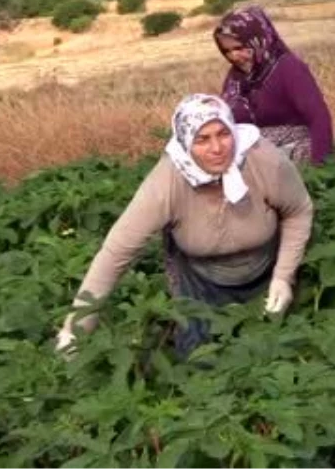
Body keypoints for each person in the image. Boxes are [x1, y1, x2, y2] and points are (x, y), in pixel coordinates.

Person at [55, 94, 315, 359]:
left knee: (274, 353)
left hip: (266, 271)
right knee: (200, 361)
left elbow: (299, 211)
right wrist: (75, 329)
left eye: (223, 134)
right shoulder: (167, 182)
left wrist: (284, 277)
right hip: (200, 282)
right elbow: (116, 254)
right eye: (202, 139)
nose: (217, 148)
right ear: (185, 143)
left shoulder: (263, 160)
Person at [213, 5, 335, 165]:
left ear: (258, 40)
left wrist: (321, 164)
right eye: (226, 51)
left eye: (239, 48)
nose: (234, 56)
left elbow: (318, 117)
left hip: (294, 147)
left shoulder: (288, 68)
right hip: (253, 150)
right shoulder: (237, 77)